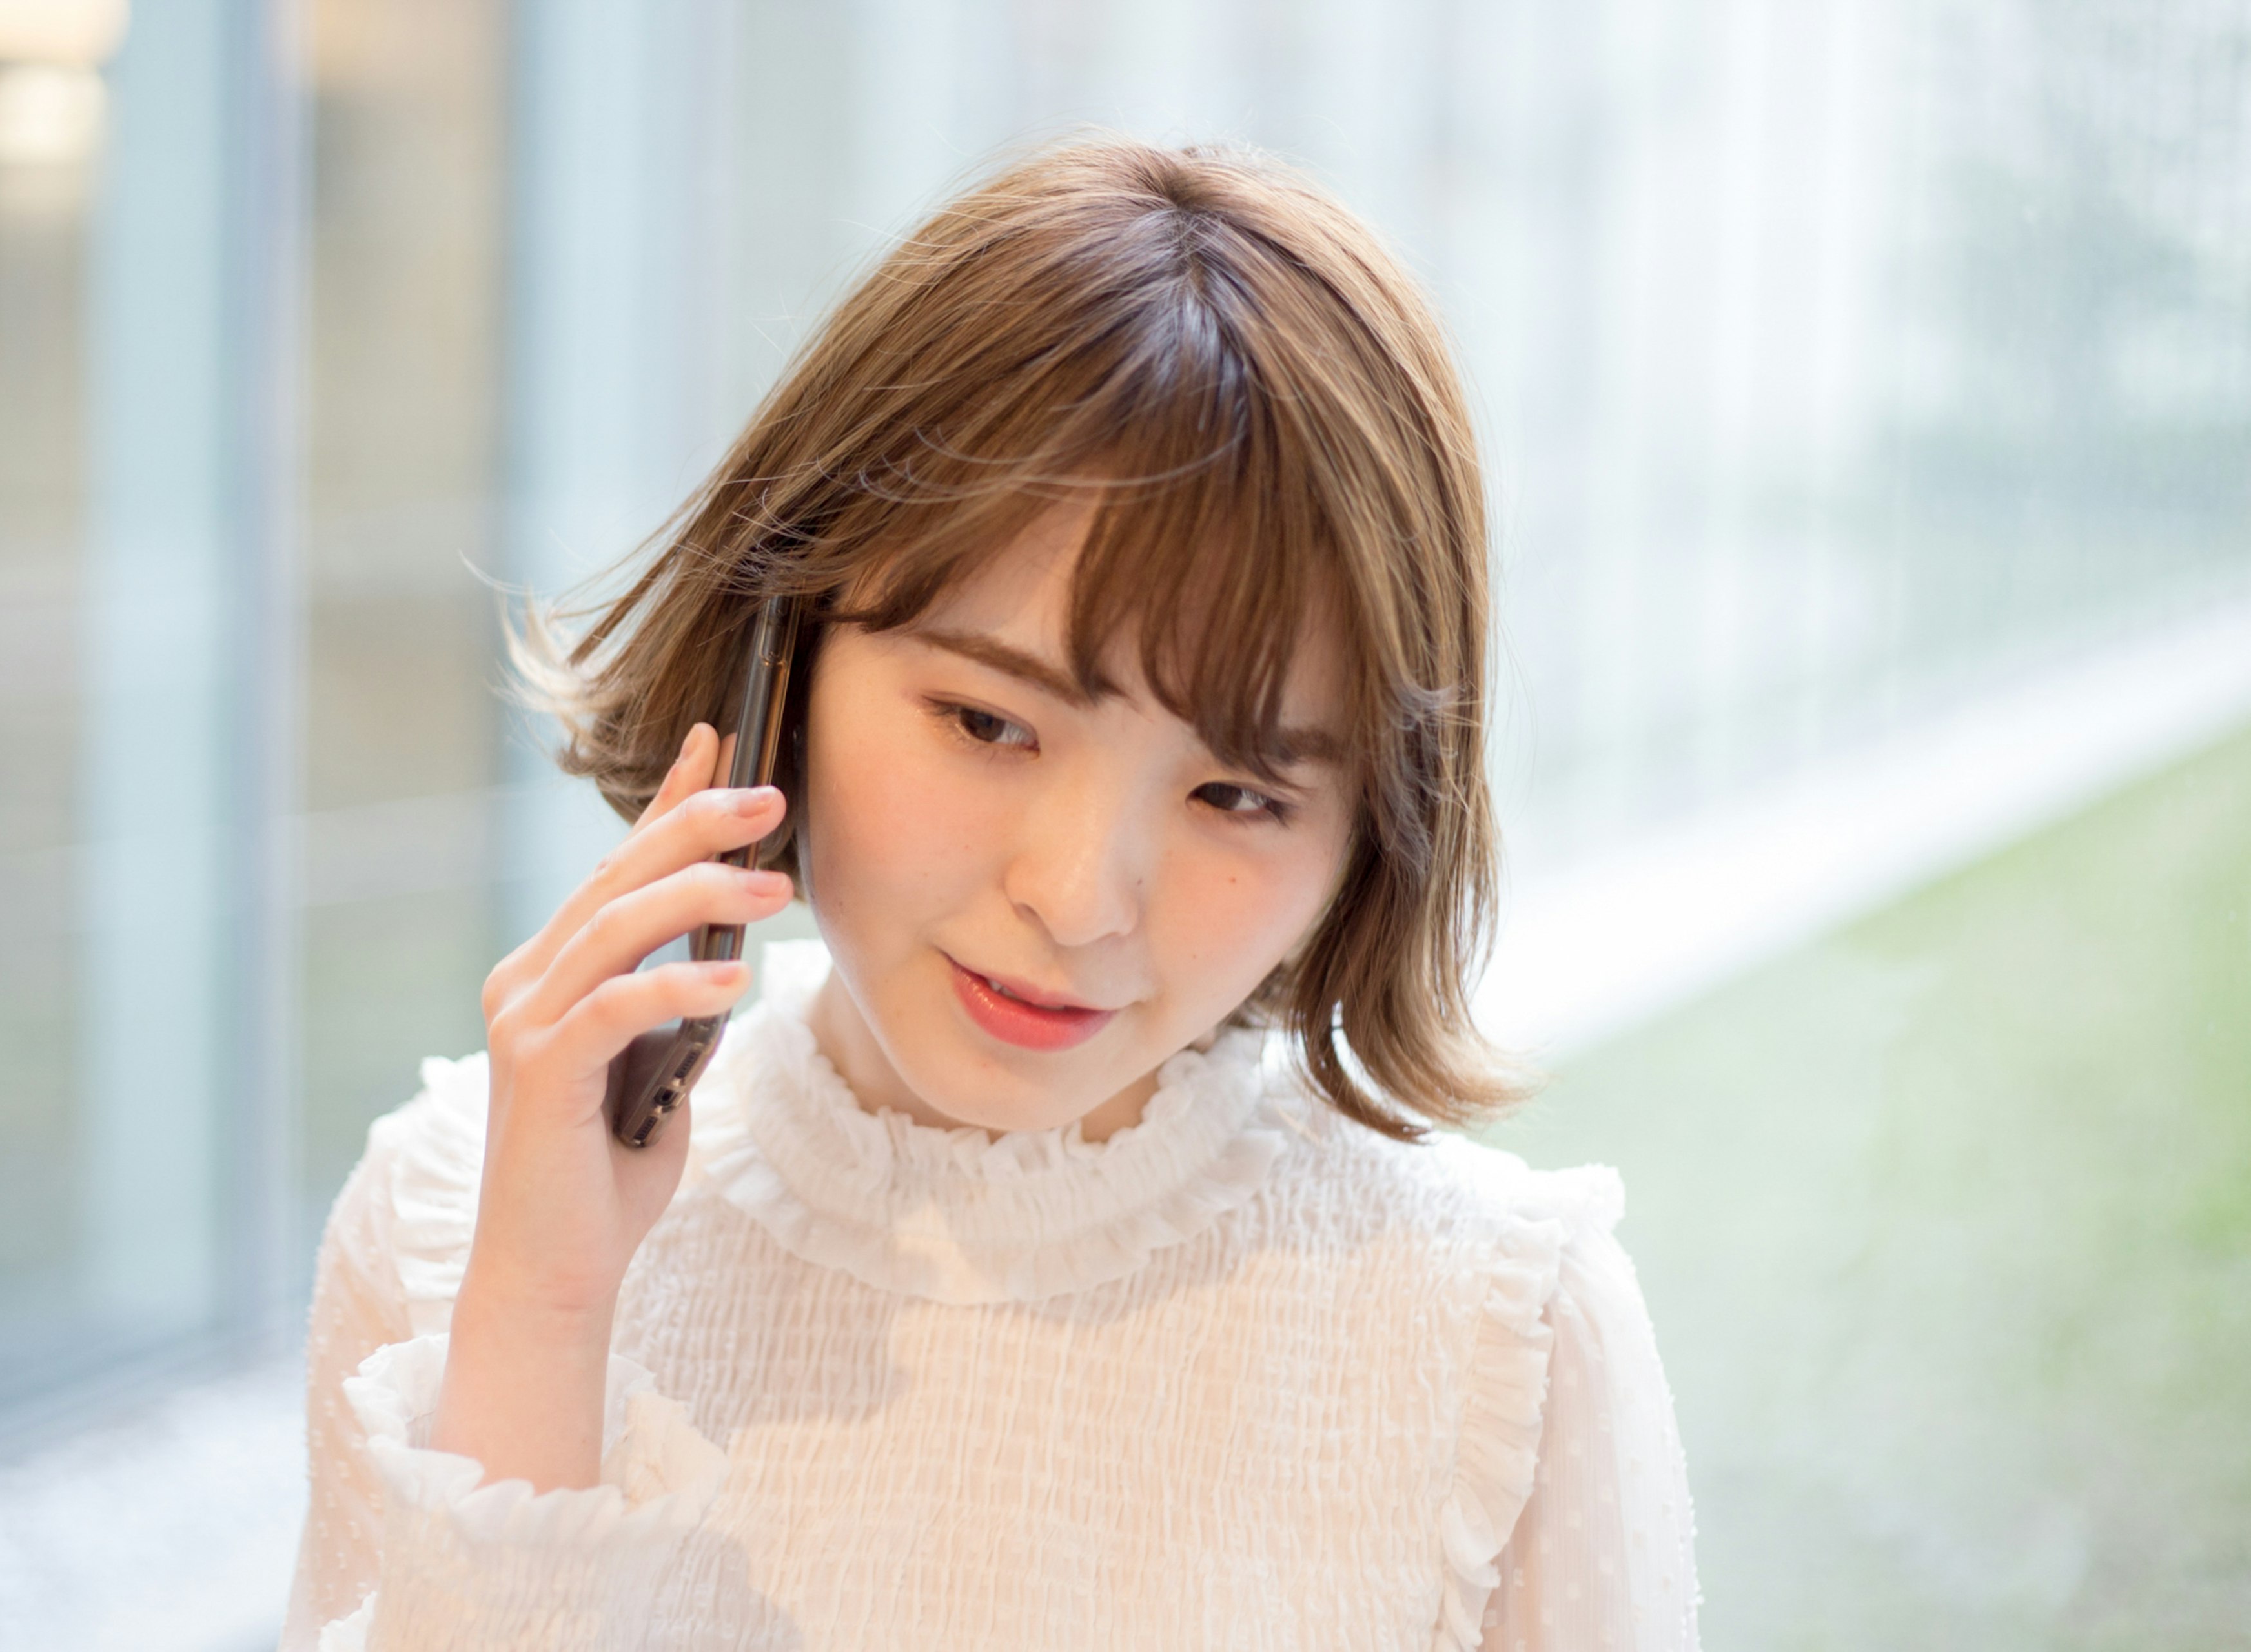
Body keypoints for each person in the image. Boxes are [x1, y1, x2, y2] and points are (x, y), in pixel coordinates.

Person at [280, 138, 1702, 1651]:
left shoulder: (1499, 1328)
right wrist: (542, 1323)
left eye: (1237, 794)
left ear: (1371, 834)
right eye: (989, 721)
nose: (1081, 898)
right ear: (782, 661)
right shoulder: (455, 1217)